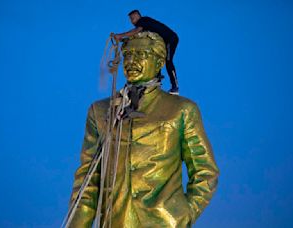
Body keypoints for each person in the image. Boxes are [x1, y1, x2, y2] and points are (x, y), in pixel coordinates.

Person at [67, 32, 219, 228]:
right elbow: (87, 181)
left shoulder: (181, 110)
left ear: (158, 62)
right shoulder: (100, 111)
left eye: (141, 55)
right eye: (128, 55)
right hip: (116, 221)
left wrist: (184, 214)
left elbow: (205, 171)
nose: (131, 61)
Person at [114, 10, 180, 95]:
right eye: (131, 19)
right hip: (165, 40)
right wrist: (123, 40)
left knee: (168, 61)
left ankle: (175, 87)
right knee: (157, 59)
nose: (132, 21)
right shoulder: (145, 26)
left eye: (133, 18)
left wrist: (120, 35)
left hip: (171, 39)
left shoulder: (143, 20)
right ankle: (157, 81)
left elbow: (135, 31)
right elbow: (138, 38)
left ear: (138, 16)